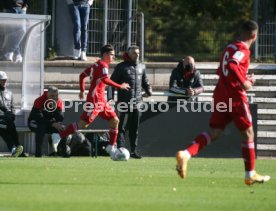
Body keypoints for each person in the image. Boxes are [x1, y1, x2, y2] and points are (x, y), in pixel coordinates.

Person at [176, 20, 271, 185]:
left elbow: (222, 70)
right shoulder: (243, 49)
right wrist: (245, 82)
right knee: (248, 134)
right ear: (255, 36)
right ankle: (250, 174)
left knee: (215, 132)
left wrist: (243, 77)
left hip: (221, 93)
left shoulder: (229, 47)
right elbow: (233, 66)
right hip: (234, 95)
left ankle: (186, 154)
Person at [58, 44, 130, 159]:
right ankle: (60, 136)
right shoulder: (102, 65)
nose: (114, 57)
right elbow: (105, 80)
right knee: (83, 124)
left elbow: (82, 75)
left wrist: (82, 91)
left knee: (115, 120)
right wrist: (120, 86)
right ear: (105, 54)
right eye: (112, 55)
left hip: (102, 100)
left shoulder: (96, 65)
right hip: (95, 101)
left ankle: (111, 146)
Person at [107, 46, 152, 159]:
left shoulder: (142, 66)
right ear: (129, 54)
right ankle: (120, 149)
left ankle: (133, 151)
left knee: (134, 128)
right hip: (123, 102)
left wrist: (149, 91)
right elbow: (111, 84)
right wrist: (110, 99)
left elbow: (145, 81)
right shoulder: (121, 67)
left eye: (138, 53)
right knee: (121, 127)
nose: (137, 55)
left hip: (137, 103)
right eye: (134, 53)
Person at [28, 86, 65, 157]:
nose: (54, 97)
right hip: (34, 122)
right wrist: (52, 124)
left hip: (49, 124)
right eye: (52, 96)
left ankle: (63, 153)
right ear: (47, 94)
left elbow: (60, 118)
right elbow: (38, 117)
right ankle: (38, 154)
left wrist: (55, 107)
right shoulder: (39, 100)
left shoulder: (59, 101)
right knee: (41, 127)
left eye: (56, 95)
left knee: (62, 128)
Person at [0, 71, 23, 157]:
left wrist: (12, 115)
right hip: (0, 119)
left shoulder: (9, 93)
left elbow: (13, 107)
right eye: (2, 80)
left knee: (11, 129)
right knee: (2, 128)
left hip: (8, 119)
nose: (4, 81)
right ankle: (14, 149)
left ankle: (17, 149)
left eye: (5, 80)